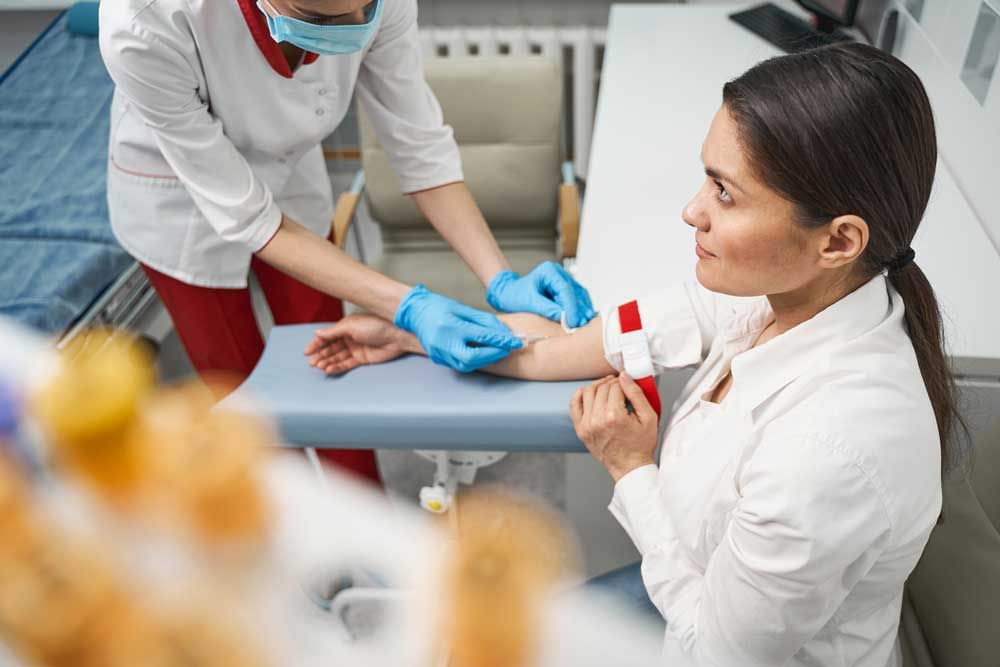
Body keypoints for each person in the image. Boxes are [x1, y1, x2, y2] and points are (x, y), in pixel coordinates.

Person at [302, 43, 964, 666]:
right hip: (693, 589)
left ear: (838, 240)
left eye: (725, 193)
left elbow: (712, 651)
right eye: (706, 180)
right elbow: (576, 345)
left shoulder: (830, 448)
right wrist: (415, 332)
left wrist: (630, 469)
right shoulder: (776, 295)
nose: (690, 211)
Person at [98, 0, 594, 484]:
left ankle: (360, 504)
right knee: (244, 394)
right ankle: (290, 518)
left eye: (367, 7)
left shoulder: (379, 5)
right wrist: (409, 308)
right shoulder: (143, 23)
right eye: (322, 19)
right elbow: (250, 218)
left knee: (334, 360)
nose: (359, 26)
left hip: (287, 167)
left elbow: (418, 145)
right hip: (177, 197)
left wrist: (499, 276)